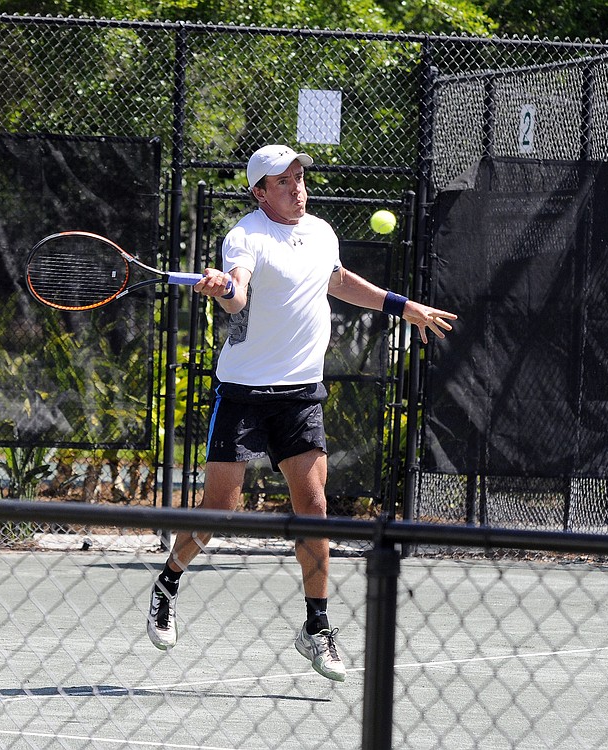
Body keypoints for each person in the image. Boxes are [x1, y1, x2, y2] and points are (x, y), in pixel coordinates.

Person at [146, 144, 457, 681]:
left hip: (300, 394)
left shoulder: (321, 232)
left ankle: (316, 627)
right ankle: (168, 581)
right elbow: (239, 293)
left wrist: (402, 305)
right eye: (282, 181)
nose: (296, 187)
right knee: (219, 510)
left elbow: (336, 280)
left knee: (313, 509)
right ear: (259, 192)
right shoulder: (244, 236)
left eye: (298, 177)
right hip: (243, 393)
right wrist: (223, 290)